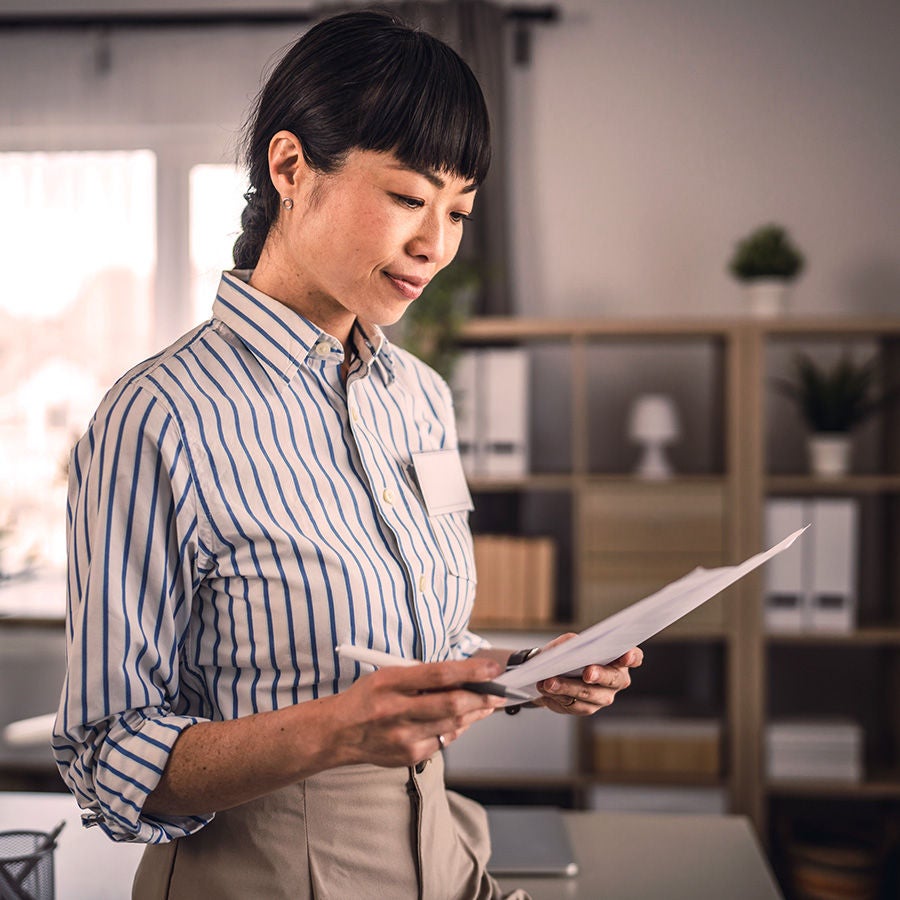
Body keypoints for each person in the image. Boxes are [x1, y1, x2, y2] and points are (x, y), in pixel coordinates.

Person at [53, 10, 643, 899]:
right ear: (290, 168)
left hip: (444, 864)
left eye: (458, 212)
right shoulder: (157, 418)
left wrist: (524, 678)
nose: (435, 246)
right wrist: (336, 732)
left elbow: (416, 643)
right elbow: (107, 756)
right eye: (409, 198)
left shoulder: (421, 400)